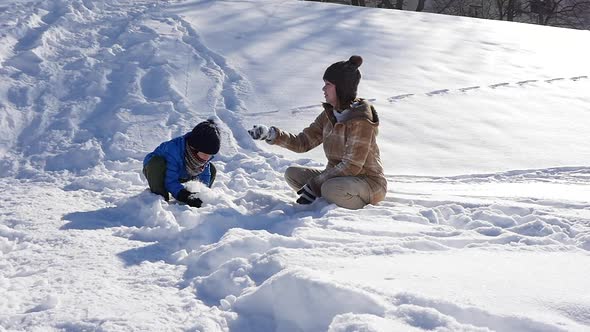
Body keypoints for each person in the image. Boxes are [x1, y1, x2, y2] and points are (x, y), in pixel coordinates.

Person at [248, 55, 387, 210]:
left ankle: (358, 210)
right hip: (335, 179)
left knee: (330, 189)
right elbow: (303, 142)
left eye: (328, 84)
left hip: (367, 182)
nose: (323, 89)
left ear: (341, 88)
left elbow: (352, 166)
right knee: (292, 174)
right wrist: (272, 135)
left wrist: (316, 185)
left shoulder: (361, 120)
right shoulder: (329, 115)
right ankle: (327, 200)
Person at [143, 119, 220, 208]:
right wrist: (184, 195)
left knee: (212, 169)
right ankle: (161, 200)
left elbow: (204, 176)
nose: (207, 158)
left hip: (183, 173)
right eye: (205, 154)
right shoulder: (173, 150)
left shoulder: (203, 156)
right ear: (194, 148)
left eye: (210, 155)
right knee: (157, 164)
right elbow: (170, 180)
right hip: (158, 171)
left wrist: (201, 194)